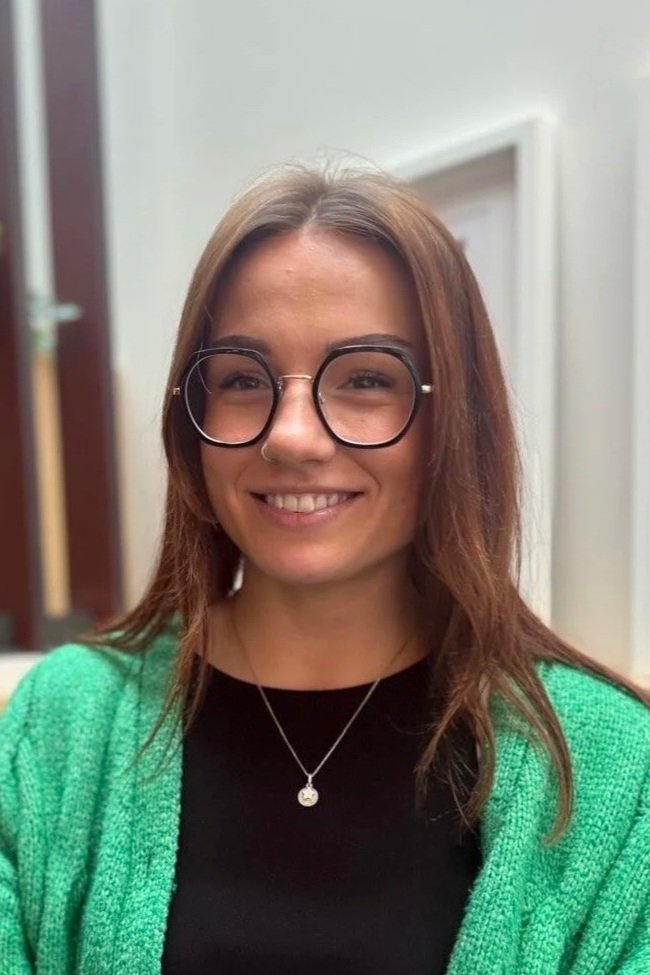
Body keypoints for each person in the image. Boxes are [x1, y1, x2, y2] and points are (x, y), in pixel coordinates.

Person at [1, 164, 649, 975]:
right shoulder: (62, 724)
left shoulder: (610, 767)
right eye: (242, 379)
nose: (293, 437)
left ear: (455, 418)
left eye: (367, 378)